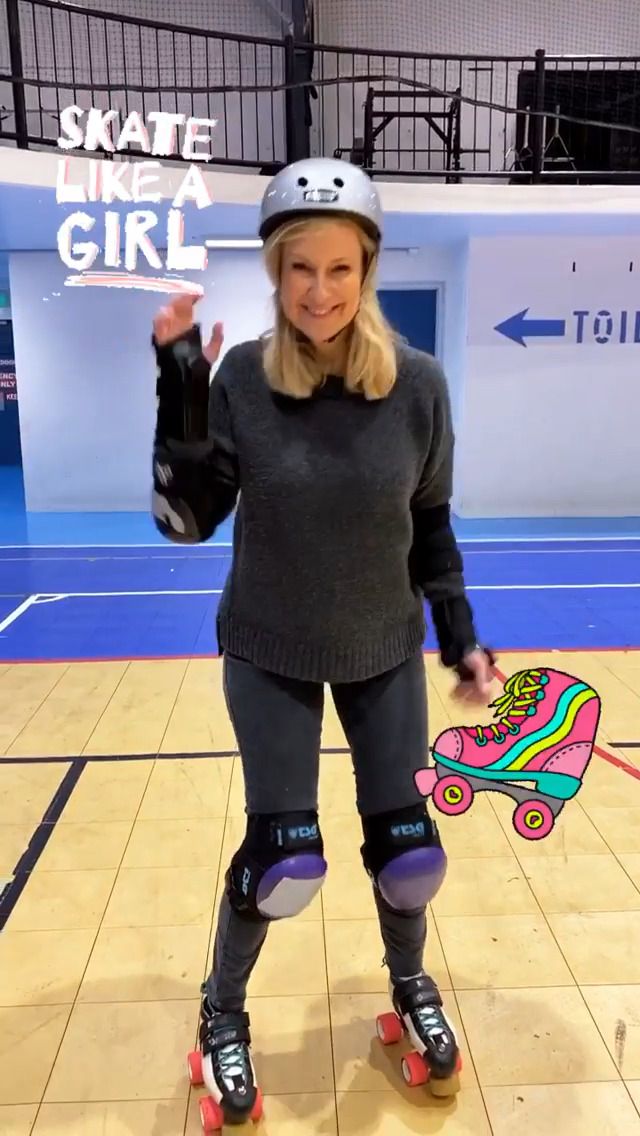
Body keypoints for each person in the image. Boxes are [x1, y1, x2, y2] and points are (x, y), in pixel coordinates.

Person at [151, 156, 494, 1127]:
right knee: (283, 860)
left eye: (339, 267)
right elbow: (187, 521)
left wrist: (460, 639)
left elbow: (430, 522)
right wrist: (180, 383)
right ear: (275, 270)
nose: (319, 290)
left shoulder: (418, 385)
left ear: (367, 269)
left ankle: (409, 984)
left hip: (382, 643)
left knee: (408, 851)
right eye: (299, 267)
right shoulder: (243, 378)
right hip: (270, 644)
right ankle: (222, 1011)